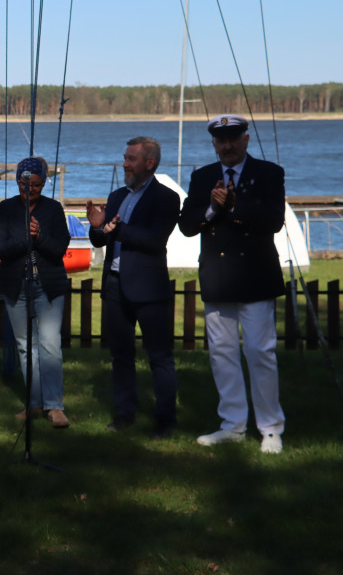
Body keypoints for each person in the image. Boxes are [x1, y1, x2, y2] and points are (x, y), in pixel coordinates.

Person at [179, 114, 287, 454]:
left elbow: (274, 221)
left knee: (260, 352)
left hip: (255, 276)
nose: (226, 146)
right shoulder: (203, 177)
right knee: (222, 354)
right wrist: (211, 209)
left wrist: (235, 204)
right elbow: (186, 224)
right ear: (214, 143)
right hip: (218, 277)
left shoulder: (268, 174)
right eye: (220, 140)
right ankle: (232, 424)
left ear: (246, 139)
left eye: (233, 138)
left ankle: (270, 428)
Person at [87, 136, 180, 439]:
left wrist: (118, 229)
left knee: (159, 357)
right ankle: (125, 413)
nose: (125, 163)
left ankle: (165, 420)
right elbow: (102, 240)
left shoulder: (166, 198)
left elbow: (154, 240)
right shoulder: (117, 196)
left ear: (149, 163)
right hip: (114, 286)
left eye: (131, 159)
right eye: (125, 157)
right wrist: (97, 226)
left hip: (149, 289)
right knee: (121, 355)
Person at [0, 156, 71, 428]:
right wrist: (25, 240)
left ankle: (54, 406)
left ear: (44, 183)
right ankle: (34, 403)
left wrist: (41, 237)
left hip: (48, 285)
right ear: (17, 181)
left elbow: (59, 248)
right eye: (25, 184)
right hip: (16, 285)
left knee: (50, 345)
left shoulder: (53, 209)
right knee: (26, 346)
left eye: (35, 185)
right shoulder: (7, 209)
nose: (29, 189)